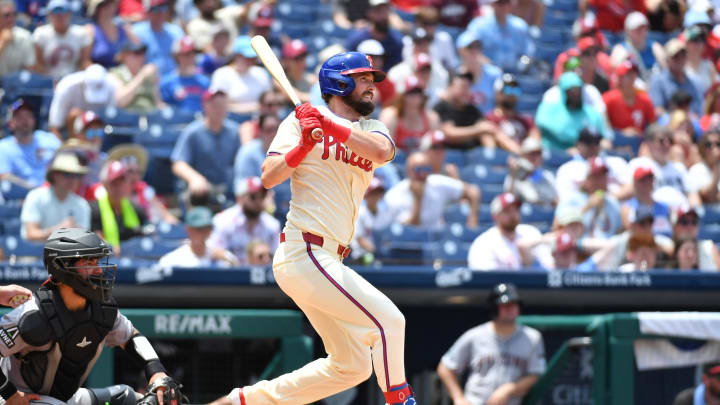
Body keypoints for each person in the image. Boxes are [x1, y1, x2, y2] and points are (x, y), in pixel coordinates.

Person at [207, 51, 418, 405]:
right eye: (363, 78)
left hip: (329, 258)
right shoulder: (299, 122)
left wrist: (327, 125)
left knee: (351, 366)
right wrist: (304, 145)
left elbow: (381, 152)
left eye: (371, 80)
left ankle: (243, 401)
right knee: (389, 322)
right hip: (304, 250)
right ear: (339, 82)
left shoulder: (372, 128)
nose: (371, 86)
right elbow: (268, 177)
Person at [0, 227, 185, 405]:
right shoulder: (32, 315)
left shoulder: (101, 309)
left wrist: (156, 371)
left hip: (63, 398)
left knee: (130, 398)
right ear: (62, 266)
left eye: (98, 262)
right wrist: (10, 395)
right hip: (19, 398)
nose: (98, 270)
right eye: (89, 262)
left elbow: (131, 337)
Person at [437, 283, 546, 405]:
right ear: (495, 308)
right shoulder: (475, 335)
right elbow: (445, 367)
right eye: (505, 305)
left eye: (514, 304)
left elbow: (536, 374)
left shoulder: (532, 337)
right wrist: (458, 398)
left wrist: (510, 389)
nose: (510, 309)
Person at [171, 89, 240, 205]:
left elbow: (242, 161)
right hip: (202, 190)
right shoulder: (193, 132)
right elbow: (178, 164)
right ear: (205, 106)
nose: (219, 109)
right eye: (215, 105)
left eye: (223, 105)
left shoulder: (234, 131)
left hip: (228, 189)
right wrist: (194, 178)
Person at [378, 151, 480, 229]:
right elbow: (410, 230)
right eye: (418, 170)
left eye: (425, 169)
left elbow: (473, 191)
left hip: (436, 240)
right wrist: (418, 199)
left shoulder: (437, 183)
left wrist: (472, 220)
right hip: (410, 247)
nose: (422, 174)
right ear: (408, 171)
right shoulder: (395, 195)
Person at [622, 124, 701, 208]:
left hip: (682, 217)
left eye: (670, 141)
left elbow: (693, 195)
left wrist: (697, 210)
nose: (666, 145)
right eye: (661, 141)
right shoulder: (638, 164)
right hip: (652, 216)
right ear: (649, 143)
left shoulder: (679, 168)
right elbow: (628, 191)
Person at [468, 192, 553, 270]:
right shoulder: (484, 242)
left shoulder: (531, 233)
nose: (513, 215)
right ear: (495, 216)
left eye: (516, 210)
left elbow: (549, 267)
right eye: (507, 211)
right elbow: (485, 279)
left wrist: (531, 264)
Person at [208, 176, 280, 265]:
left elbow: (276, 258)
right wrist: (230, 258)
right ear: (240, 198)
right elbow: (213, 252)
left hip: (261, 276)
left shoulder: (272, 225)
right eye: (253, 197)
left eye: (262, 196)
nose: (258, 201)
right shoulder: (223, 221)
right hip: (229, 274)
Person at [20, 153, 90, 242]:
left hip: (68, 253)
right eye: (67, 174)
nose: (73, 179)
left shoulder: (81, 204)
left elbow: (84, 238)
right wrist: (58, 231)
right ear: (55, 175)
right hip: (34, 253)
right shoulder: (36, 196)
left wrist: (70, 231)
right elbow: (30, 234)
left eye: (77, 175)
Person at [535, 72, 610, 151]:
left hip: (587, 155)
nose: (575, 94)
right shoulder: (550, 109)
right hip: (557, 153)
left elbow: (604, 137)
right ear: (564, 91)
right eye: (571, 91)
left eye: (578, 90)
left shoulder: (591, 113)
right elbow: (539, 126)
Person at [433, 71, 506, 150]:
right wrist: (478, 129)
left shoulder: (472, 110)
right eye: (462, 87)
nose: (466, 91)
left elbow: (486, 131)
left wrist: (491, 153)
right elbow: (449, 134)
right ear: (450, 87)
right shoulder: (442, 107)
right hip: (447, 158)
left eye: (468, 87)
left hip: (474, 157)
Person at [0, 99, 61, 189]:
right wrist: (33, 190)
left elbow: (65, 160)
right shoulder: (3, 147)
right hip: (21, 198)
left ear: (34, 120)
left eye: (28, 116)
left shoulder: (49, 139)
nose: (25, 120)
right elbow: (4, 176)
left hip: (53, 194)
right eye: (19, 117)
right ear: (10, 124)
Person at [557, 157, 622, 239]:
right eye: (596, 177)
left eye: (603, 176)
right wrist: (587, 206)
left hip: (608, 247)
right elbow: (557, 227)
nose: (600, 181)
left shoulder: (613, 203)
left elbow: (620, 231)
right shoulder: (572, 199)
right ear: (586, 180)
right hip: (580, 248)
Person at [555, 128, 628, 200]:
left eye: (596, 143)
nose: (593, 147)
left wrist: (606, 200)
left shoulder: (615, 162)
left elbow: (631, 187)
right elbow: (562, 198)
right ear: (578, 144)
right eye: (589, 143)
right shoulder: (567, 169)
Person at [90, 160, 148, 248]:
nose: (119, 187)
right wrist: (110, 247)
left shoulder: (137, 210)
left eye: (123, 182)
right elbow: (95, 239)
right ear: (105, 185)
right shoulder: (93, 210)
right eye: (114, 183)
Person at [48, 64, 116, 139]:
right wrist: (65, 148)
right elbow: (54, 127)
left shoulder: (112, 85)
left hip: (100, 129)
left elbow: (110, 121)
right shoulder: (66, 87)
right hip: (66, 132)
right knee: (74, 114)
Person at [465, 0, 534, 73]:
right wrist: (484, 62)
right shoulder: (478, 25)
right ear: (492, 4)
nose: (504, 6)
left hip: (515, 73)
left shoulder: (520, 26)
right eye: (500, 3)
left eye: (507, 2)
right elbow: (464, 46)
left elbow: (527, 53)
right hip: (487, 73)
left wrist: (523, 65)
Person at [210, 36, 273, 114]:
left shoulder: (261, 73)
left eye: (252, 58)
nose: (250, 61)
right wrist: (255, 107)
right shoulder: (222, 74)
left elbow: (269, 100)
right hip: (232, 118)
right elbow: (218, 104)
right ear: (236, 55)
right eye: (246, 57)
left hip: (259, 121)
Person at [159, 206, 237, 268]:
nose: (202, 234)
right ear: (188, 230)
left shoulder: (221, 257)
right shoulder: (173, 260)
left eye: (206, 229)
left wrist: (228, 259)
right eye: (198, 229)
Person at [32, 0, 91, 80]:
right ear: (49, 15)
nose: (60, 15)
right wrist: (50, 82)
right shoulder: (40, 34)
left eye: (63, 11)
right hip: (49, 83)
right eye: (55, 12)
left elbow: (84, 62)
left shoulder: (81, 34)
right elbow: (39, 65)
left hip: (74, 81)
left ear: (69, 13)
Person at [380, 76, 441, 151]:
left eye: (418, 92)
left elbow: (435, 148)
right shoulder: (390, 115)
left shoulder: (431, 118)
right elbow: (385, 146)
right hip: (394, 160)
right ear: (402, 95)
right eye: (411, 92)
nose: (415, 96)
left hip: (422, 161)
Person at [649, 39, 703, 116]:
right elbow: (658, 111)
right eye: (675, 56)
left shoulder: (695, 82)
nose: (680, 59)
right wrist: (677, 120)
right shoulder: (658, 81)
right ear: (667, 60)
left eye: (683, 55)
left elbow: (700, 109)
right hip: (669, 125)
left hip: (693, 124)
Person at [344, 0, 404, 69]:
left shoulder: (397, 41)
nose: (383, 16)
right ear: (369, 13)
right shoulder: (356, 39)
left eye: (385, 11)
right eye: (378, 11)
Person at [131, 0, 184, 76]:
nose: (160, 13)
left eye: (163, 8)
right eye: (155, 10)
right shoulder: (136, 32)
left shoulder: (176, 32)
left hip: (175, 80)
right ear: (147, 12)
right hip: (149, 81)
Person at [109, 41, 165, 114]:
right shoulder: (115, 74)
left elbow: (158, 103)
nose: (141, 57)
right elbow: (120, 102)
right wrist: (141, 76)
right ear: (124, 56)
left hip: (151, 117)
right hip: (128, 119)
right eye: (137, 53)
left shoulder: (149, 75)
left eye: (143, 53)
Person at [454, 32, 503, 116]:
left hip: (490, 121)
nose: (474, 50)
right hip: (464, 121)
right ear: (460, 50)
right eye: (470, 47)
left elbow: (501, 103)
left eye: (477, 47)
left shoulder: (495, 73)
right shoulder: (456, 75)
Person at [485, 73, 540, 146]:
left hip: (525, 155)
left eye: (516, 90)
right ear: (497, 94)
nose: (512, 93)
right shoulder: (489, 120)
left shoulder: (526, 121)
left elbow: (536, 142)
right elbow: (491, 149)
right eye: (507, 90)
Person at [602, 60, 655, 136]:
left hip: (639, 140)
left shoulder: (644, 99)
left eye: (633, 74)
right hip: (616, 140)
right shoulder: (609, 98)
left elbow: (652, 124)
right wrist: (622, 133)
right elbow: (603, 124)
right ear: (619, 78)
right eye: (628, 75)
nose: (632, 78)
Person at [160, 36, 210, 113]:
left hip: (200, 121)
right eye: (186, 54)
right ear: (176, 56)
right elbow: (162, 106)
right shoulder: (166, 82)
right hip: (177, 123)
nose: (190, 57)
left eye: (193, 53)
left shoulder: (204, 81)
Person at [401, 7, 459, 72]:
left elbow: (452, 64)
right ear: (417, 23)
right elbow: (407, 66)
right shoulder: (408, 41)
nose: (429, 27)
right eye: (426, 23)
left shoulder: (444, 38)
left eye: (433, 23)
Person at [620, 166, 672, 236]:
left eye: (650, 178)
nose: (647, 182)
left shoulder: (664, 207)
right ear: (634, 182)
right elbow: (630, 231)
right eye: (642, 179)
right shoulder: (627, 208)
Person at [505, 137, 558, 206]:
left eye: (538, 153)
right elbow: (509, 200)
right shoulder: (514, 175)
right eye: (531, 153)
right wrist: (514, 175)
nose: (534, 157)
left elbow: (554, 200)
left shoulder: (547, 176)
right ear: (523, 155)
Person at [86, 0, 136, 68]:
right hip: (98, 74)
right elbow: (85, 61)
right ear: (97, 8)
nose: (108, 7)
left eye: (111, 3)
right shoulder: (90, 30)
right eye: (104, 4)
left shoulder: (124, 28)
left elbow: (138, 51)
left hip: (122, 73)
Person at [609, 12, 658, 80]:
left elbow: (666, 69)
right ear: (628, 31)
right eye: (637, 29)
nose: (640, 32)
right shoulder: (620, 50)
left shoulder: (654, 47)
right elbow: (615, 73)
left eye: (643, 28)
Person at [671, 205, 720, 271]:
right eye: (684, 222)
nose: (690, 227)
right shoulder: (663, 246)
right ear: (674, 226)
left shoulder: (708, 247)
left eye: (694, 222)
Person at [350, 177, 385, 265]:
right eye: (373, 193)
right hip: (360, 257)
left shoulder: (382, 212)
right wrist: (375, 250)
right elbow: (359, 238)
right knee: (373, 261)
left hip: (376, 254)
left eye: (378, 193)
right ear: (366, 195)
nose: (376, 196)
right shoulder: (360, 212)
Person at [234, 114, 280, 181]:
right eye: (269, 130)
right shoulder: (248, 152)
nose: (274, 134)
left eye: (277, 129)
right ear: (260, 132)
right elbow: (242, 186)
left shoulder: (289, 150)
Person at [0, 0, 36, 76]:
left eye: (14, 15)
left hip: (17, 85)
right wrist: (2, 42)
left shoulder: (24, 36)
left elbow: (29, 69)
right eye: (6, 15)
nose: (11, 19)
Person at [684, 25, 717, 98]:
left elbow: (716, 90)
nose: (698, 44)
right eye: (694, 40)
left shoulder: (709, 65)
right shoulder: (681, 66)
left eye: (701, 40)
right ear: (686, 44)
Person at [688, 128, 720, 204]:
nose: (713, 148)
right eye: (708, 145)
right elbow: (710, 197)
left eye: (718, 144)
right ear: (702, 148)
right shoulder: (696, 169)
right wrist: (717, 167)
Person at [281, 39, 314, 103]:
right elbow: (296, 97)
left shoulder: (311, 79)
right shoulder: (279, 80)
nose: (301, 62)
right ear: (286, 61)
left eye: (303, 57)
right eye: (297, 58)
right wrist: (319, 98)